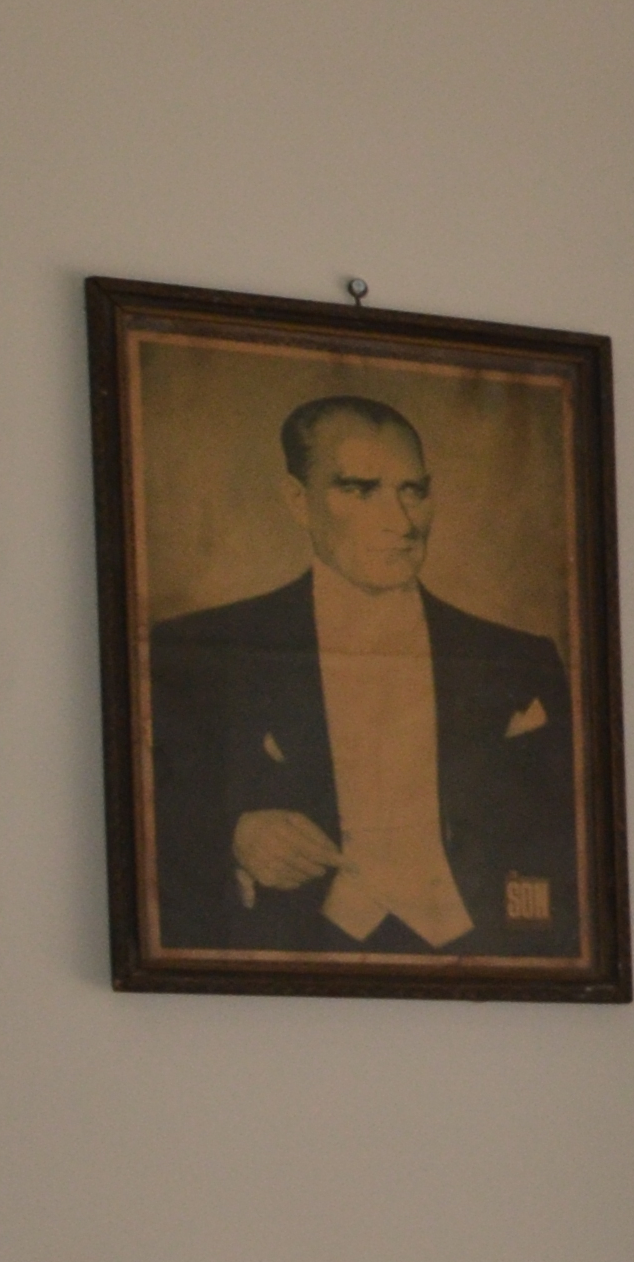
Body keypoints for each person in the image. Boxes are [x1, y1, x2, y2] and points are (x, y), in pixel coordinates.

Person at [143, 395, 575, 956]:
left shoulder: (520, 658)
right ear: (298, 500)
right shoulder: (199, 651)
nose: (400, 523)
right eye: (360, 489)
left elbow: (571, 832)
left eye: (413, 491)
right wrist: (234, 835)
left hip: (481, 953)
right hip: (289, 956)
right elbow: (146, 808)